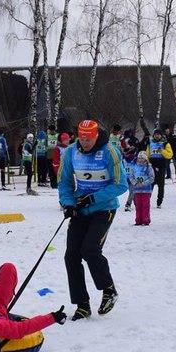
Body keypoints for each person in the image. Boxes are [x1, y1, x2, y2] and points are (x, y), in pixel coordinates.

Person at [58, 119, 127, 319]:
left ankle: (108, 290)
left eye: (89, 138)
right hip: (80, 209)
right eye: (82, 138)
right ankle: (82, 304)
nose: (85, 142)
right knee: (71, 256)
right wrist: (68, 203)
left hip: (103, 208)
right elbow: (64, 182)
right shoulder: (71, 152)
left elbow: (121, 185)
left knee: (90, 249)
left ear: (96, 135)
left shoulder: (109, 151)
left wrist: (92, 199)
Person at [147, 129, 174, 208]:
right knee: (150, 183)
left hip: (161, 165)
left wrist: (162, 151)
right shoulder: (150, 143)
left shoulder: (166, 144)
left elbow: (170, 155)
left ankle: (159, 201)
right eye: (156, 134)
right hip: (152, 166)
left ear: (161, 135)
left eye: (159, 134)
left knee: (161, 185)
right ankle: (147, 200)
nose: (157, 136)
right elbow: (148, 154)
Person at [129, 150, 154, 225]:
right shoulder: (134, 167)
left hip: (146, 190)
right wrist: (135, 183)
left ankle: (145, 220)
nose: (140, 160)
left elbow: (152, 178)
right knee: (138, 205)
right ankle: (138, 220)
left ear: (145, 159)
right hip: (137, 190)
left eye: (142, 158)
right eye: (139, 158)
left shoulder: (148, 167)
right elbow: (131, 177)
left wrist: (143, 183)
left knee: (145, 205)